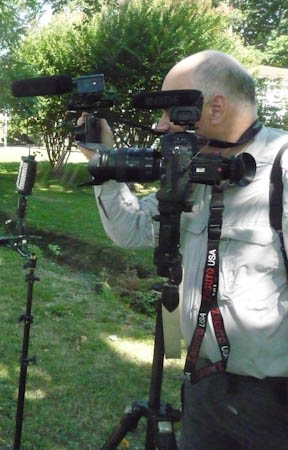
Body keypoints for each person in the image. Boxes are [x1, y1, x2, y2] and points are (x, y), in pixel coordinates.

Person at [79, 50, 288, 449]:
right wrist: (102, 162)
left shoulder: (281, 169)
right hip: (202, 386)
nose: (160, 126)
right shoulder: (190, 169)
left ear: (215, 108)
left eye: (169, 112)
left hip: (272, 405)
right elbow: (133, 229)